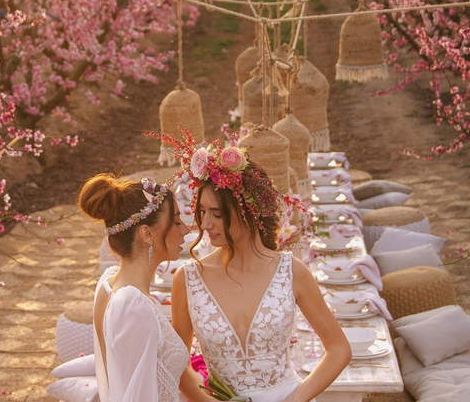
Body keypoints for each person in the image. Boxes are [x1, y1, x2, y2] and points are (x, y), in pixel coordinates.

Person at [169, 143, 352, 402]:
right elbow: (178, 365)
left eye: (217, 214)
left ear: (250, 211)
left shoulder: (291, 271)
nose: (205, 223)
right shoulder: (187, 279)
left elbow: (339, 349)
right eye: (202, 212)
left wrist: (295, 400)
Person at [79, 174, 213, 402]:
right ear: (147, 233)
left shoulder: (109, 283)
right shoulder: (133, 303)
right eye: (176, 221)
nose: (185, 229)